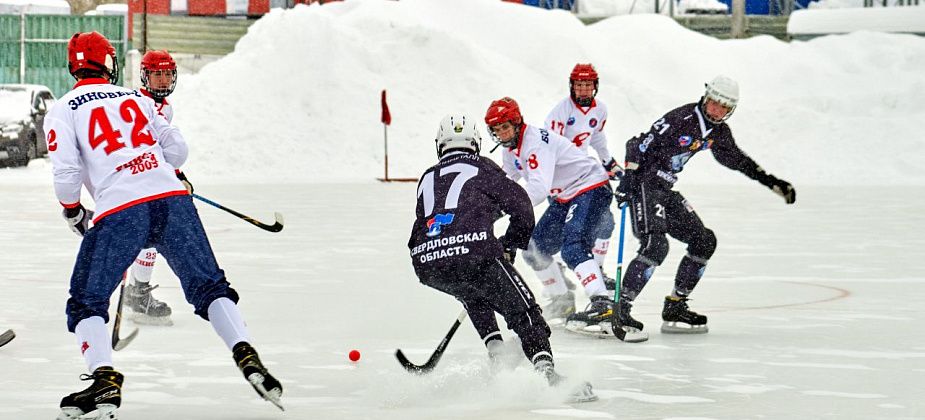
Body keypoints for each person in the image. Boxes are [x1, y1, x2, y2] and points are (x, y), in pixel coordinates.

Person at [46, 32, 282, 419]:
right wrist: (152, 167)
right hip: (173, 201)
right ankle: (244, 350)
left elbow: (67, 175)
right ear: (109, 63)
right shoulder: (135, 98)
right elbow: (177, 150)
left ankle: (103, 378)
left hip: (121, 209)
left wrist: (73, 211)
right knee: (210, 286)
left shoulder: (63, 108)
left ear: (74, 66)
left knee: (86, 300)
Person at [408, 114, 594, 402]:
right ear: (475, 143)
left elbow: (444, 216)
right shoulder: (482, 166)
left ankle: (496, 351)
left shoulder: (428, 175)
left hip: (427, 262)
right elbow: (521, 205)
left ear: (440, 145)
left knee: (473, 292)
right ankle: (547, 375)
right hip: (474, 254)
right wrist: (510, 244)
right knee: (525, 313)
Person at [615, 75, 796, 335]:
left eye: (724, 107)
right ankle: (620, 307)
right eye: (714, 103)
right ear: (706, 97)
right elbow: (637, 145)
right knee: (656, 245)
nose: (717, 110)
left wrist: (772, 182)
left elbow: (738, 160)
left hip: (665, 189)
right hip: (645, 185)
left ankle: (675, 305)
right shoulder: (681, 118)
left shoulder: (718, 132)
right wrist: (628, 179)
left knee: (704, 241)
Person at [485, 97, 615, 334]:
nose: (502, 134)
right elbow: (505, 185)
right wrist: (483, 212)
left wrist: (504, 211)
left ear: (517, 123)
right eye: (497, 130)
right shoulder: (510, 149)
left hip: (591, 186)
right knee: (533, 249)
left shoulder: (535, 143)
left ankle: (602, 303)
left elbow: (538, 189)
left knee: (573, 247)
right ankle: (562, 300)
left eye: (505, 127)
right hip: (566, 195)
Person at [545, 63, 623, 295]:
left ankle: (596, 270)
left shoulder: (600, 110)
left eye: (588, 85)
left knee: (605, 223)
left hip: (585, 178)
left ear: (595, 86)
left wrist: (609, 162)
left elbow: (596, 137)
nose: (583, 90)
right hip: (563, 181)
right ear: (572, 86)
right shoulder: (560, 112)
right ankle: (558, 271)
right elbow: (549, 148)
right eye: (579, 85)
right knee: (564, 233)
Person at [123, 49, 188, 325]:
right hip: (133, 179)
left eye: (167, 74)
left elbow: (160, 148)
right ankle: (128, 293)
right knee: (143, 236)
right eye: (157, 74)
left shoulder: (166, 107)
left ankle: (136, 292)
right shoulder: (135, 102)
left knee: (150, 236)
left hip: (150, 179)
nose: (163, 80)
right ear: (144, 76)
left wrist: (177, 174)